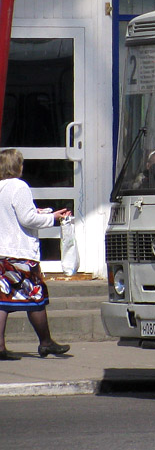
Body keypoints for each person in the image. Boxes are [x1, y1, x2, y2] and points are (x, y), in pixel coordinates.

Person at [0, 148, 72, 360]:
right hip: (19, 253)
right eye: (21, 163)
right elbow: (27, 219)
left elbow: (14, 215)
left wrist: (45, 213)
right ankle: (46, 342)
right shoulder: (19, 186)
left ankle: (1, 346)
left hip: (2, 253)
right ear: (16, 166)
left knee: (3, 300)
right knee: (36, 297)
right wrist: (53, 219)